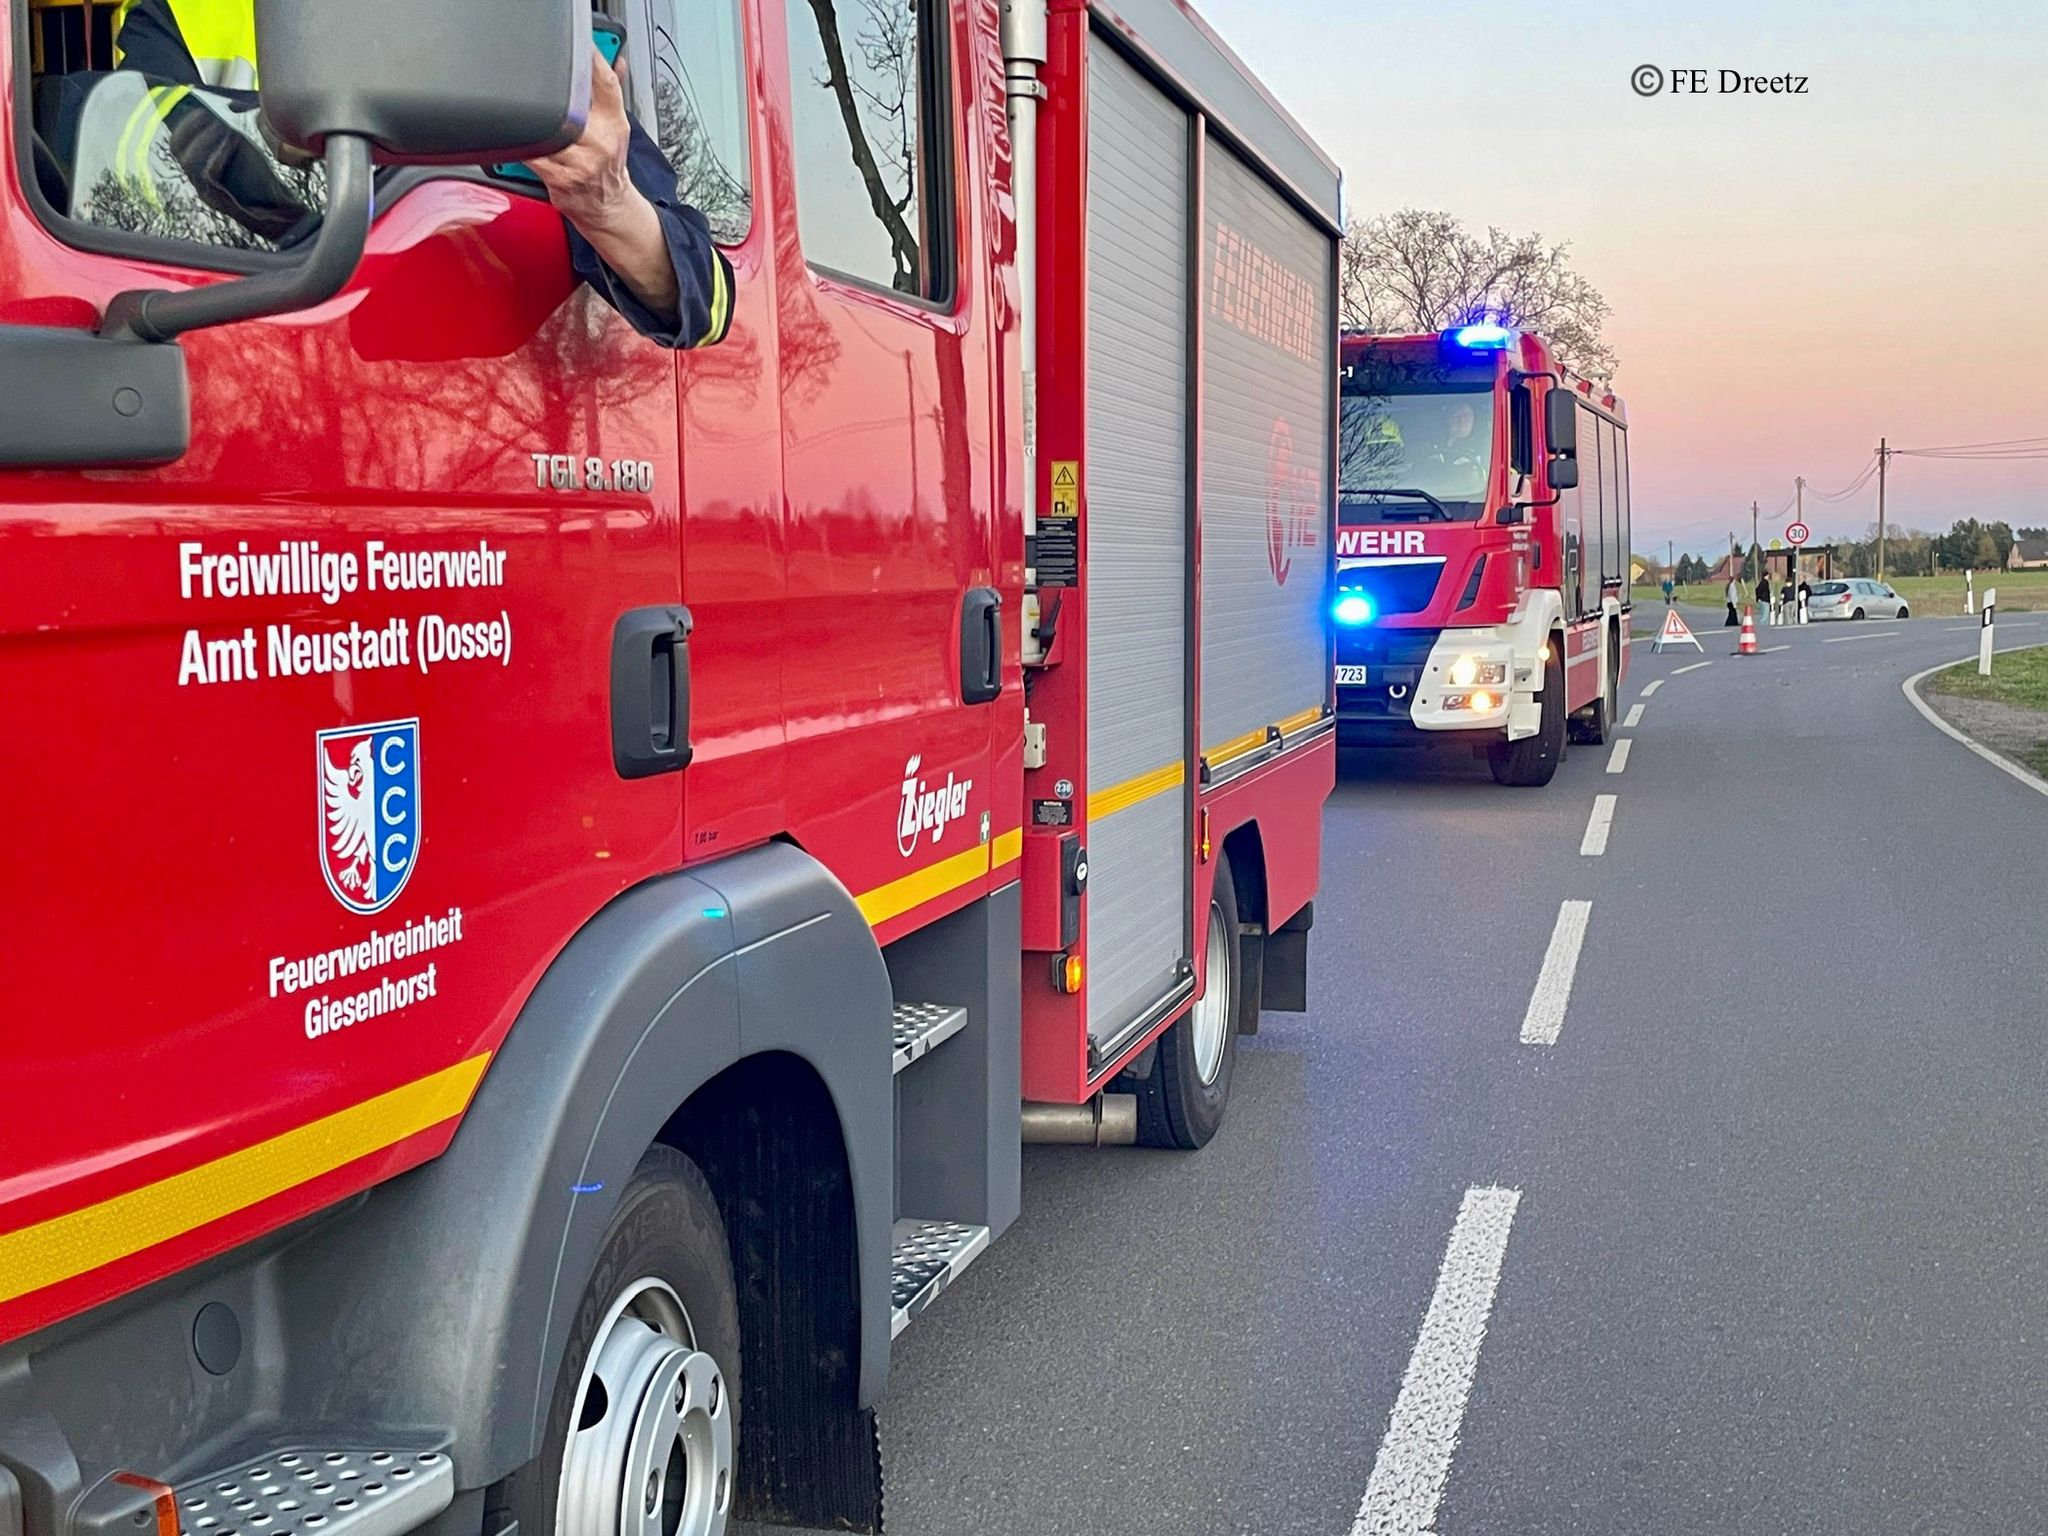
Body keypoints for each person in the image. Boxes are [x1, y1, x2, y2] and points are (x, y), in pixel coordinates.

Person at [106, 0, 731, 350]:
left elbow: (705, 300)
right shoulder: (183, 14)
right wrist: (279, 146)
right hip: (242, 355)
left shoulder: (517, 29)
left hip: (490, 435)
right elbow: (132, 181)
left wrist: (609, 201)